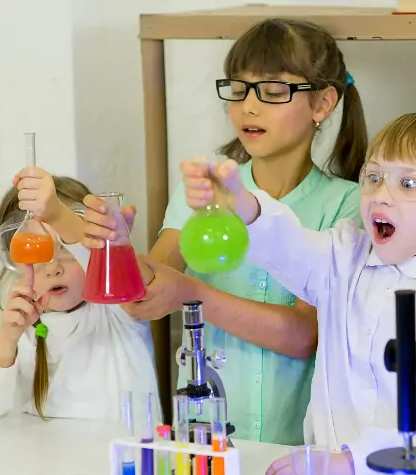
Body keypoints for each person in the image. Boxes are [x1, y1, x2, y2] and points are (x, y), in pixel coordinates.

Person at [182, 112, 416, 475]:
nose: (382, 195)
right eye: (374, 177)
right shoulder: (344, 254)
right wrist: (241, 203)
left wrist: (350, 467)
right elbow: (289, 248)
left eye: (409, 183)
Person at [82, 18, 368, 445]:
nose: (248, 108)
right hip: (202, 442)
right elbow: (144, 299)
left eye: (272, 92)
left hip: (297, 453)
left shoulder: (348, 206)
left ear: (323, 103)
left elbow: (303, 336)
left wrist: (188, 294)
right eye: (238, 91)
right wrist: (120, 251)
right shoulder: (199, 189)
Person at [0, 170, 161, 422]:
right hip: (47, 459)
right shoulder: (25, 329)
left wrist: (57, 214)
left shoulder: (117, 308)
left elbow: (95, 258)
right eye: (38, 254)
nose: (53, 268)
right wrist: (7, 339)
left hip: (122, 458)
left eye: (66, 250)